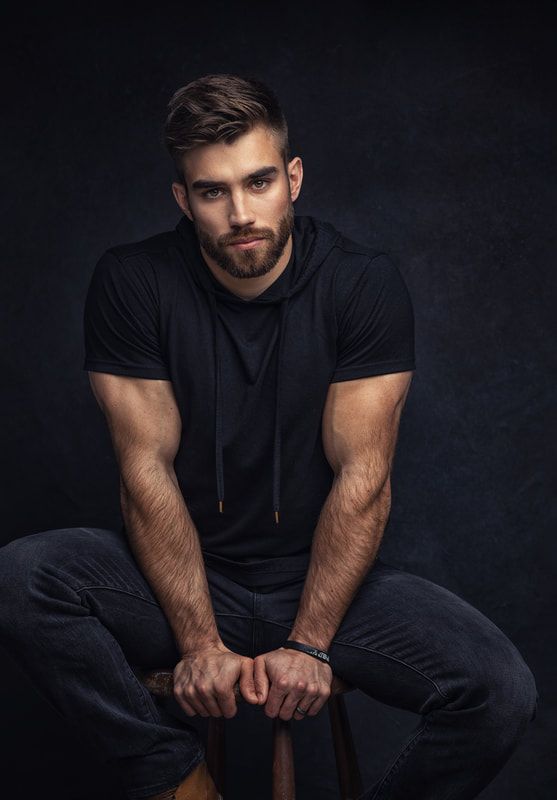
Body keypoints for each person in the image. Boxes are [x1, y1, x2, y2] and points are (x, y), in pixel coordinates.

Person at [0, 73, 538, 800]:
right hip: (181, 577)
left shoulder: (360, 283)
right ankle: (181, 783)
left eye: (257, 182)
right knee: (23, 577)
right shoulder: (133, 283)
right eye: (212, 192)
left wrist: (310, 640)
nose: (240, 213)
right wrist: (197, 643)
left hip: (320, 580)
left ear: (293, 178)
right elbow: (144, 469)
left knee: (498, 691)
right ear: (182, 199)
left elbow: (363, 478)